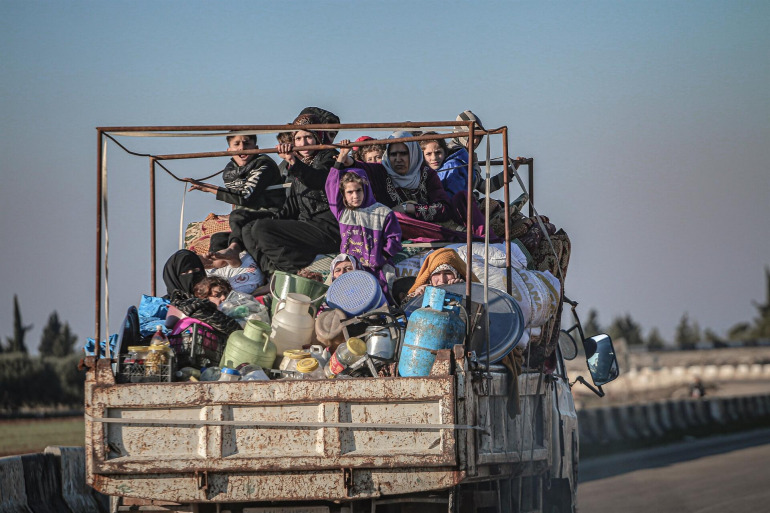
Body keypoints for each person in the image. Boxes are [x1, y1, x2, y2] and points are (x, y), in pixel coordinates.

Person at [241, 114, 341, 274]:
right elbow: (292, 206)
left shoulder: (329, 157)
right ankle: (271, 271)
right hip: (307, 225)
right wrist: (267, 219)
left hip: (328, 228)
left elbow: (318, 180)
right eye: (298, 139)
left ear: (318, 137)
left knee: (262, 228)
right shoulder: (301, 165)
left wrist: (293, 161)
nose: (303, 143)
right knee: (250, 228)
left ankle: (294, 270)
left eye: (308, 137)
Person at [186, 133, 284, 268]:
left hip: (271, 214)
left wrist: (210, 188)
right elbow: (236, 197)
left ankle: (234, 251)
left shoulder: (264, 164)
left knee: (237, 216)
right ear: (229, 150)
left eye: (246, 143)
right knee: (218, 238)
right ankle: (217, 266)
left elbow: (245, 197)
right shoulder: (230, 171)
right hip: (248, 218)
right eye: (236, 144)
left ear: (256, 148)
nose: (242, 148)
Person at [327, 144, 402, 291]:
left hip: (376, 270)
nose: (355, 196)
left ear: (365, 189)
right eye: (350, 192)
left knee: (379, 297)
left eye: (358, 190)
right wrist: (341, 157)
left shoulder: (383, 212)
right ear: (343, 195)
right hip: (350, 269)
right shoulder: (343, 212)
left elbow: (394, 239)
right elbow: (331, 186)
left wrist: (381, 256)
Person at [162, 250, 241, 335]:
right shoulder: (164, 305)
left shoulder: (216, 298)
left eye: (196, 270)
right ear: (174, 276)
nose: (192, 275)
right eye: (185, 272)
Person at [402, 248, 479, 305]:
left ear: (457, 275)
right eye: (437, 274)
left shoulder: (469, 290)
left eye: (447, 273)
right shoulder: (422, 292)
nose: (442, 280)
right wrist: (417, 297)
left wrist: (462, 289)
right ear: (430, 278)